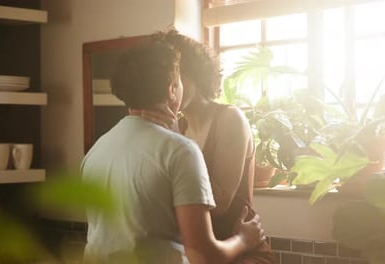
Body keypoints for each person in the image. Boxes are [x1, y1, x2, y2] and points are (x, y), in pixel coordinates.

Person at [81, 40, 265, 264]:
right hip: (209, 249)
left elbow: (215, 208)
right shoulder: (177, 143)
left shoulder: (98, 148)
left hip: (236, 248)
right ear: (171, 87)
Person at [133, 29, 276, 263]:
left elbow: (218, 204)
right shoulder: (177, 125)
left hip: (242, 248)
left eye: (174, 79)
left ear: (192, 75)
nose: (168, 91)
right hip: (198, 250)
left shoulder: (230, 119)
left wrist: (176, 136)